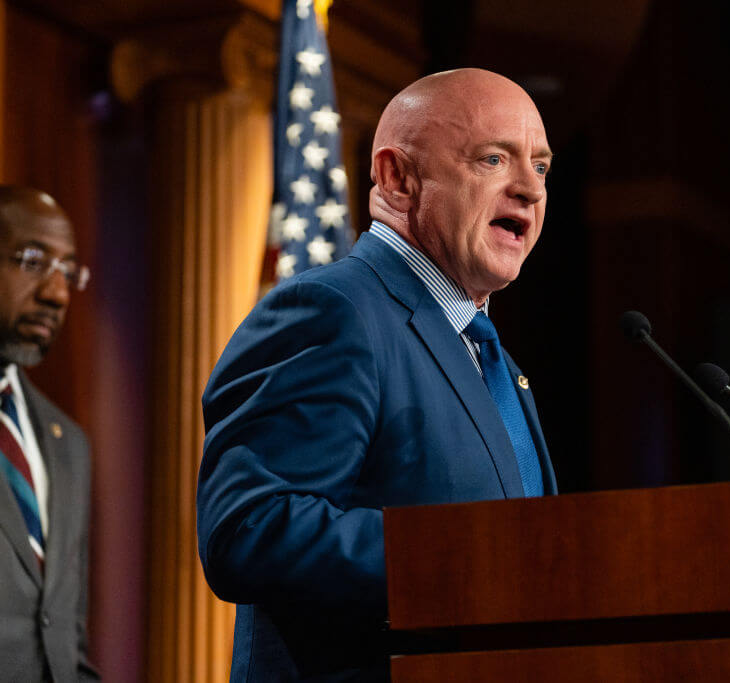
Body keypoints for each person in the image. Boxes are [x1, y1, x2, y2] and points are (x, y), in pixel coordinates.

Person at [197, 68, 558, 681]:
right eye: (494, 158)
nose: (529, 188)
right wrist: (465, 557)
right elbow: (248, 529)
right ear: (398, 177)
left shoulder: (490, 356)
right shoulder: (334, 312)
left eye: (542, 167)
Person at [0, 187, 98, 681]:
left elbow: (66, 638)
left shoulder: (70, 444)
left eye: (67, 271)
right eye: (33, 260)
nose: (57, 294)